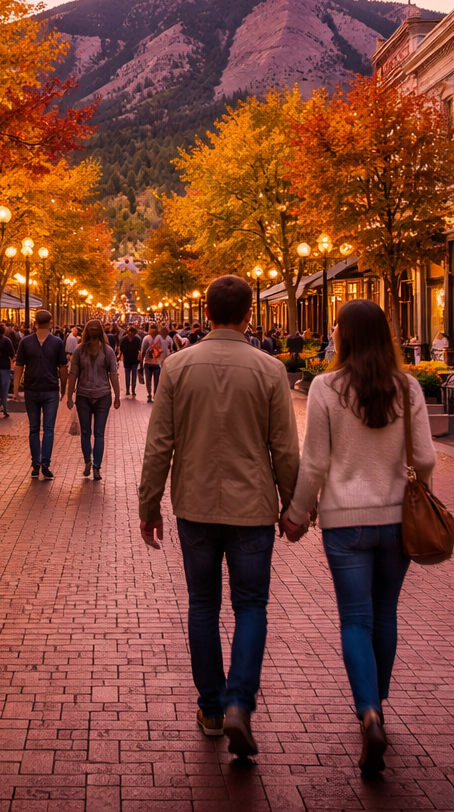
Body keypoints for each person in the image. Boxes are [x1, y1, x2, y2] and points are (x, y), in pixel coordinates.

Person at [138, 275, 300, 757]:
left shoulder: (177, 367)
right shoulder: (270, 370)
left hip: (196, 504)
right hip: (252, 507)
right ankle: (239, 704)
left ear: (206, 314)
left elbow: (159, 443)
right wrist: (292, 506)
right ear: (249, 314)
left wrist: (149, 504)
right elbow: (285, 449)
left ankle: (210, 707)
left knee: (203, 606)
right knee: (251, 606)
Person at [282, 298, 435, 778]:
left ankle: (366, 709)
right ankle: (380, 706)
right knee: (385, 613)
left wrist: (297, 513)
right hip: (395, 518)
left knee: (355, 619)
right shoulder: (406, 387)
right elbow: (426, 457)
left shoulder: (326, 387)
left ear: (343, 336)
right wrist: (420, 494)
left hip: (344, 521)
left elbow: (315, 462)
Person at [13, 308, 68, 480]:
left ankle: (35, 464)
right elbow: (63, 368)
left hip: (31, 389)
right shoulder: (57, 342)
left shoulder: (26, 342)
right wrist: (64, 388)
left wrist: (16, 388)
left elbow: (19, 366)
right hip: (50, 389)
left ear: (35, 322)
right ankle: (45, 463)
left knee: (34, 428)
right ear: (50, 322)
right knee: (49, 429)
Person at [67, 319, 121, 480]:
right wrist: (117, 396)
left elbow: (73, 374)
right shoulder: (108, 351)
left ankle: (88, 462)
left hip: (84, 395)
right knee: (99, 433)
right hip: (102, 395)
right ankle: (96, 467)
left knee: (86, 432)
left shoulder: (79, 350)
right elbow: (113, 375)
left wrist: (69, 395)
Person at [141, 323, 169, 401]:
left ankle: (149, 394)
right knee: (156, 380)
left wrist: (141, 363)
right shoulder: (162, 338)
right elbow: (165, 350)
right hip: (158, 363)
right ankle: (155, 394)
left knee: (148, 380)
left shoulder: (146, 338)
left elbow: (143, 351)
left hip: (148, 362)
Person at [118, 325, 143, 397]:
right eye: (131, 334)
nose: (131, 335)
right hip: (127, 360)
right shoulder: (124, 339)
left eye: (133, 334)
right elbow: (121, 349)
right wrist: (121, 356)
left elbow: (139, 349)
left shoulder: (137, 339)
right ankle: (128, 389)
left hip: (134, 360)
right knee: (127, 376)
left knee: (134, 376)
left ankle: (133, 390)